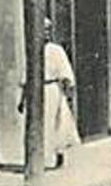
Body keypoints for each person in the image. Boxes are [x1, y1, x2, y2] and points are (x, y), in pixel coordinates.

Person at [28, 19, 80, 170]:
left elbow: (65, 71)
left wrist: (69, 89)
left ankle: (54, 156)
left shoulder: (56, 50)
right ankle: (41, 159)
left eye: (48, 30)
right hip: (37, 88)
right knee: (42, 124)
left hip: (52, 89)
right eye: (42, 29)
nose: (45, 33)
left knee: (56, 123)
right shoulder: (32, 49)